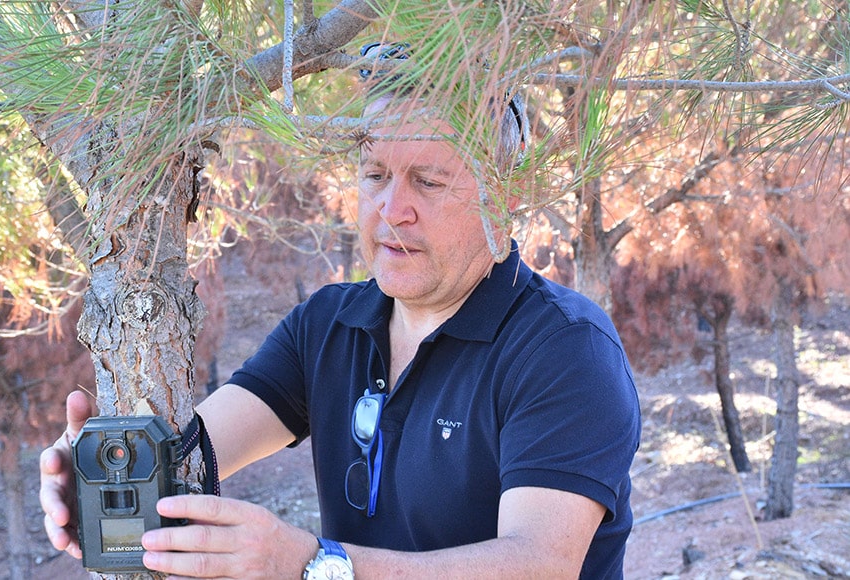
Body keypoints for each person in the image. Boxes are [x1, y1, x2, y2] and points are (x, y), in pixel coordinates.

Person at [40, 45, 641, 579]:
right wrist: (100, 472)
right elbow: (191, 450)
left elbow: (539, 565)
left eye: (428, 182)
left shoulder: (565, 347)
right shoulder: (328, 324)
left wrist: (313, 565)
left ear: (505, 195)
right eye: (374, 174)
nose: (391, 208)